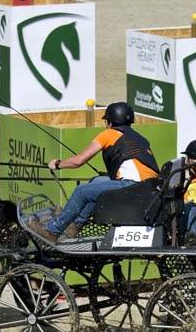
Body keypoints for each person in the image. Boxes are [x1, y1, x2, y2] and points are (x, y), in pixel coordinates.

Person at [28, 102, 160, 243]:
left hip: (132, 186)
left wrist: (58, 164)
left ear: (109, 122)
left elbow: (78, 161)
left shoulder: (108, 134)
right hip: (148, 187)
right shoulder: (140, 138)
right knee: (96, 182)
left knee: (81, 191)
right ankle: (75, 225)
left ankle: (52, 232)